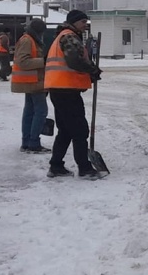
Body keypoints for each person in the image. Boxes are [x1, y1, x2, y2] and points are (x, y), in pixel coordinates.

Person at [44, 10, 105, 180]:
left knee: (65, 130)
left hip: (60, 89)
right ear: (74, 22)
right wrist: (93, 70)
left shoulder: (63, 35)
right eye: (83, 21)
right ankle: (84, 168)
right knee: (79, 130)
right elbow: (74, 60)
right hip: (66, 90)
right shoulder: (69, 37)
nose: (86, 24)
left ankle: (56, 166)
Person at [12, 18, 50, 154]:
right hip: (33, 82)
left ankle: (27, 142)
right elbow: (23, 62)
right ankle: (33, 142)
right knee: (40, 111)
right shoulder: (28, 40)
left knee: (30, 111)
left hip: (32, 81)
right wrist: (44, 61)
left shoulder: (31, 40)